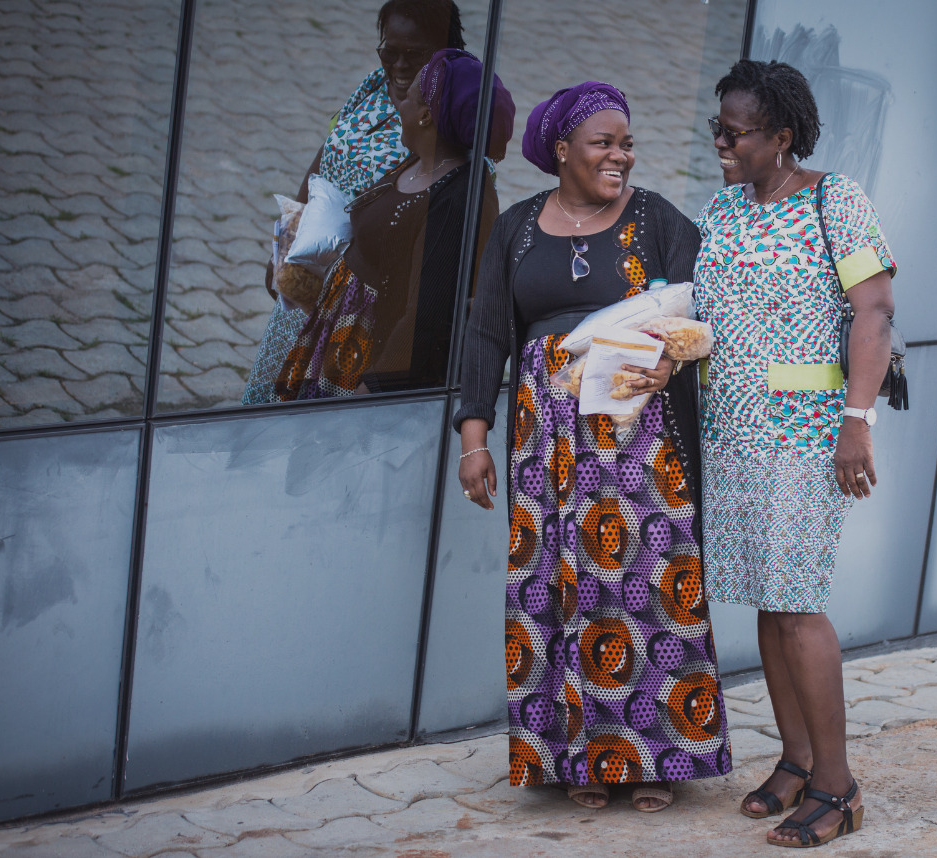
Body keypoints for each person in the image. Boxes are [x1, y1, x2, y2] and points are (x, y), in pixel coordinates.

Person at [454, 82, 732, 813]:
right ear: (562, 151)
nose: (621, 155)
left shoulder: (656, 221)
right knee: (559, 586)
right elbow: (487, 336)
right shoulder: (515, 229)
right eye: (604, 142)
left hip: (641, 441)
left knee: (645, 585)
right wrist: (473, 439)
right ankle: (578, 756)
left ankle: (654, 759)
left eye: (627, 142)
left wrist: (677, 358)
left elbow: (710, 311)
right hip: (547, 446)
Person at [693, 59, 896, 848]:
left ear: (781, 137)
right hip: (734, 436)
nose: (720, 141)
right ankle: (797, 760)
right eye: (718, 126)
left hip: (807, 438)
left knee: (799, 606)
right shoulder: (724, 210)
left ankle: (838, 788)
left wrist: (857, 420)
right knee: (770, 610)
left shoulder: (832, 201)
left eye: (734, 131)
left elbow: (873, 311)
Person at [243, 0, 467, 403]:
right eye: (388, 52)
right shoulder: (372, 88)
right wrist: (286, 247)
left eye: (412, 55)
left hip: (364, 308)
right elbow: (328, 152)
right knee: (280, 406)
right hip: (312, 281)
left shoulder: (451, 120)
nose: (397, 66)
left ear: (443, 52)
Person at [274, 49, 513, 399]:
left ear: (427, 116)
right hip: (342, 339)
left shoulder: (459, 200)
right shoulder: (421, 161)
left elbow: (426, 316)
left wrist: (373, 389)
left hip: (370, 364)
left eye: (409, 98)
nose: (398, 106)